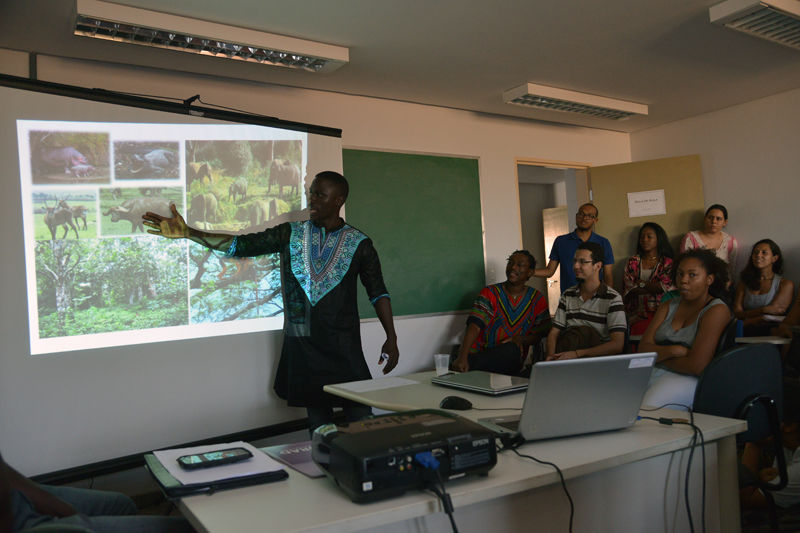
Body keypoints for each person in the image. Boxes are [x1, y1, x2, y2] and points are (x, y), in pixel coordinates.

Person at [142, 171, 399, 432]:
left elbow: (378, 292)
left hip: (344, 346)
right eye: (311, 192)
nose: (312, 198)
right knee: (320, 428)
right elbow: (241, 245)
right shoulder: (291, 233)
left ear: (338, 200)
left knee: (364, 422)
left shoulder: (360, 243)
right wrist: (189, 233)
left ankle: (366, 471)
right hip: (304, 344)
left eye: (320, 194)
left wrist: (391, 337)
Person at [0, 452, 193, 533]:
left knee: (121, 504)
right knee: (187, 528)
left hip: (12, 494)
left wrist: (63, 508)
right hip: (15, 524)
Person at [638, 249, 732, 409]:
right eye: (680, 274)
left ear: (709, 279)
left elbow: (697, 366)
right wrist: (673, 351)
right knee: (613, 401)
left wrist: (658, 356)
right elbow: (642, 350)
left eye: (692, 275)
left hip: (687, 378)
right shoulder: (668, 305)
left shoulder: (716, 310)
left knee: (647, 410)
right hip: (651, 371)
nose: (683, 280)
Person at [453, 250, 551, 375]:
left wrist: (520, 339)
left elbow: (541, 333)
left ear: (530, 272)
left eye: (520, 265)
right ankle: (464, 365)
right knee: (511, 351)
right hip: (481, 355)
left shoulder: (537, 299)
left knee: (513, 353)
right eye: (510, 263)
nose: (513, 267)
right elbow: (474, 326)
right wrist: (462, 356)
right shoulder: (490, 293)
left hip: (511, 360)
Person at [546, 242, 626, 361]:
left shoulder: (613, 299)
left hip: (597, 361)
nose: (576, 266)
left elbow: (617, 345)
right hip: (567, 357)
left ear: (598, 266)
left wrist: (578, 354)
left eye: (583, 262)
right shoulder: (568, 295)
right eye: (575, 261)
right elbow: (554, 333)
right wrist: (551, 358)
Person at [534, 203, 615, 293]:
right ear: (576, 216)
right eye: (581, 214)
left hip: (595, 297)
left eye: (589, 216)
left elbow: (608, 274)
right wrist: (528, 272)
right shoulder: (561, 241)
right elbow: (549, 271)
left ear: (595, 220)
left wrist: (608, 297)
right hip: (569, 297)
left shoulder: (603, 242)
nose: (584, 218)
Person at [622, 222, 675, 336]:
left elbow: (664, 287)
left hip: (662, 314)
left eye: (649, 236)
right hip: (636, 315)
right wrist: (653, 287)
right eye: (642, 237)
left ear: (658, 239)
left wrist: (641, 284)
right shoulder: (633, 262)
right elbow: (629, 289)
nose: (644, 240)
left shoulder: (668, 263)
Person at [733, 239, 794, 337]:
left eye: (764, 253)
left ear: (774, 258)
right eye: (755, 252)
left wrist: (748, 316)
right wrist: (762, 311)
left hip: (768, 331)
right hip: (743, 329)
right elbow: (737, 313)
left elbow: (775, 313)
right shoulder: (744, 282)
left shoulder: (785, 284)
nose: (758, 255)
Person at [679, 204, 739, 280]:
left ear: (725, 222)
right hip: (696, 283)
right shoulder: (690, 238)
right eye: (710, 217)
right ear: (705, 219)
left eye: (718, 219)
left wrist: (728, 283)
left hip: (721, 284)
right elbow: (684, 265)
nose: (714, 221)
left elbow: (731, 269)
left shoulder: (731, 242)